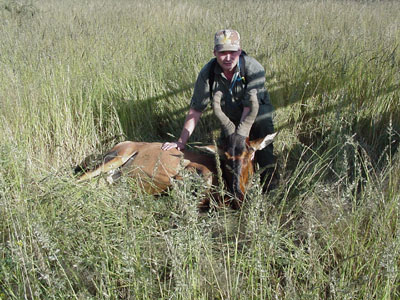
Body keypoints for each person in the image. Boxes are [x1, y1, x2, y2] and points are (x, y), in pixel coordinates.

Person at [162, 29, 278, 191]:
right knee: (228, 155)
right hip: (229, 119)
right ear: (215, 52)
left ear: (240, 50)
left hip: (254, 114)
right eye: (223, 53)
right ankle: (231, 187)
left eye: (233, 52)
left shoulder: (253, 68)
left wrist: (244, 142)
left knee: (262, 127)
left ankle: (270, 182)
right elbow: (196, 110)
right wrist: (181, 141)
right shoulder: (208, 72)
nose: (228, 58)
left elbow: (250, 107)